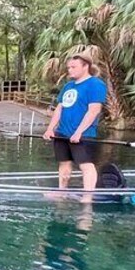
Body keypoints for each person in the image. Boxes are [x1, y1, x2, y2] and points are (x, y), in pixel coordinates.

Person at [43, 52, 108, 193]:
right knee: (64, 164)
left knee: (86, 165)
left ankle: (88, 196)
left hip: (84, 134)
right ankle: (62, 191)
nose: (70, 70)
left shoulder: (95, 84)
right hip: (62, 133)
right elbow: (59, 108)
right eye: (69, 67)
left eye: (73, 67)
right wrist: (50, 129)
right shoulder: (68, 86)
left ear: (86, 66)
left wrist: (79, 132)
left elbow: (94, 110)